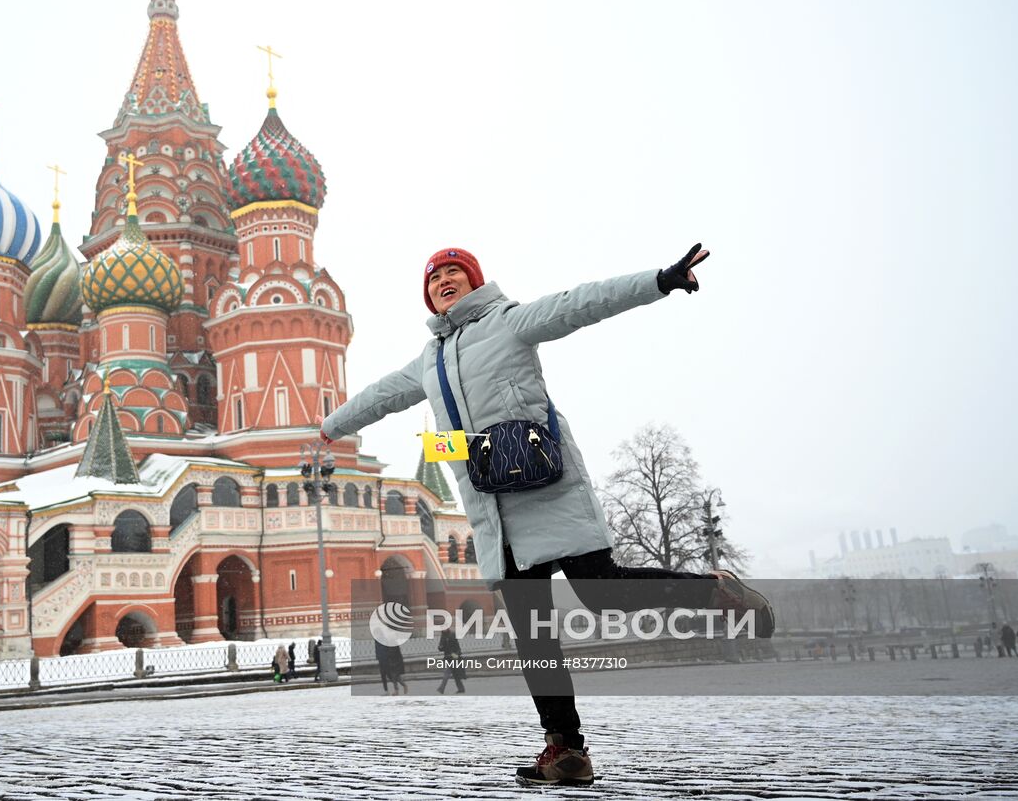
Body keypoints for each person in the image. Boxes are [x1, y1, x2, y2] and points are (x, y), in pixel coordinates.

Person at [321, 244, 773, 786]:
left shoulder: (508, 321)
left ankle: (718, 593)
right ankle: (565, 750)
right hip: (496, 514)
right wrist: (330, 428)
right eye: (434, 277)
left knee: (600, 591)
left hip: (548, 488)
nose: (443, 281)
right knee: (535, 635)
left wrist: (659, 280)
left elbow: (581, 303)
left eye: (453, 273)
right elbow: (380, 397)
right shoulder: (428, 360)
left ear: (473, 282)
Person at [436, 628, 466, 694]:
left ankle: (441, 688)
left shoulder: (452, 635)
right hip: (448, 657)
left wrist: (457, 653)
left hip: (454, 658)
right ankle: (461, 688)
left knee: (448, 674)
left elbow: (456, 645)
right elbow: (442, 647)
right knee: (455, 674)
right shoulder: (443, 636)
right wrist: (440, 647)